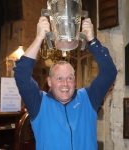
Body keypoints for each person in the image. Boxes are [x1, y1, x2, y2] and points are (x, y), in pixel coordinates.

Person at [13, 16, 117, 150]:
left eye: (69, 78)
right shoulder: (38, 103)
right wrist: (39, 38)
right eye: (59, 78)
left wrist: (92, 41)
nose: (65, 84)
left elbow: (109, 72)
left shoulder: (88, 99)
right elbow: (21, 74)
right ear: (49, 81)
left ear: (75, 81)